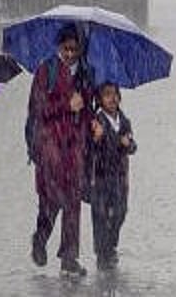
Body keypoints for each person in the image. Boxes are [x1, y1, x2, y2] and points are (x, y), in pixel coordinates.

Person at [26, 25, 92, 277]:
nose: (69, 54)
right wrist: (67, 103)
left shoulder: (86, 72)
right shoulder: (46, 70)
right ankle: (40, 238)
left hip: (74, 145)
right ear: (59, 47)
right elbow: (38, 107)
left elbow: (87, 107)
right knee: (51, 199)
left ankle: (69, 256)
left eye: (74, 49)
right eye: (65, 48)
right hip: (49, 144)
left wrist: (89, 122)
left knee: (73, 201)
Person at [87, 83, 137, 271]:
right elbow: (89, 148)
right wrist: (96, 138)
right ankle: (102, 252)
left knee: (120, 212)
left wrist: (128, 144)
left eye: (115, 94)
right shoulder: (96, 121)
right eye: (107, 95)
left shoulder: (124, 121)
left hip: (120, 177)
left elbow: (132, 146)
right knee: (100, 214)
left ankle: (111, 245)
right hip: (100, 176)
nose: (112, 98)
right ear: (100, 99)